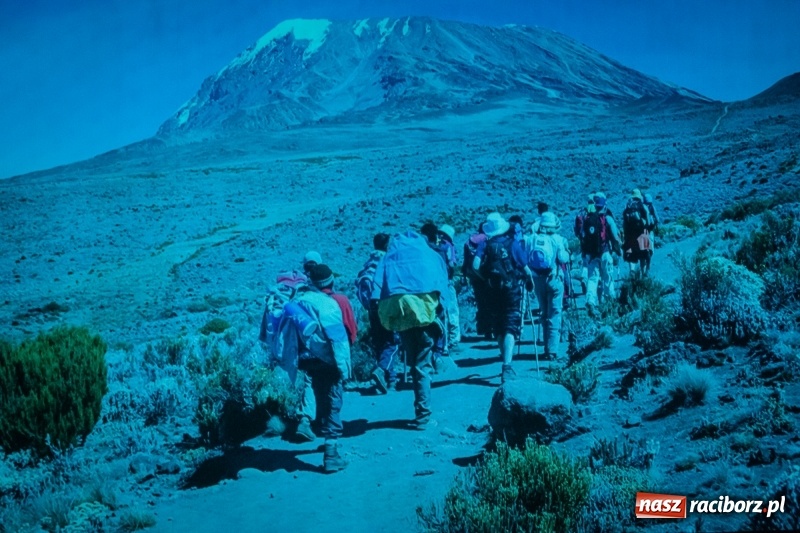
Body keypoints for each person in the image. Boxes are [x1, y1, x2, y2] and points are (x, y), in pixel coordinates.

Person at [374, 231, 448, 429]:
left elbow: (377, 286)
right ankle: (423, 414)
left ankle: (420, 409)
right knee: (422, 365)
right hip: (426, 319)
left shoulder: (390, 257)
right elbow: (442, 284)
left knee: (413, 362)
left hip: (403, 320)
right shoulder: (429, 255)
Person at [282, 278, 351, 473]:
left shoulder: (296, 303)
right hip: (327, 360)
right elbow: (337, 338)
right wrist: (344, 369)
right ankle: (331, 455)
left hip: (307, 361)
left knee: (321, 397)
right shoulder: (326, 303)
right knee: (334, 403)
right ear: (329, 281)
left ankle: (326, 440)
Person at [472, 212, 523, 383]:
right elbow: (523, 265)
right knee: (510, 325)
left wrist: (484, 278)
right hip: (511, 290)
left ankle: (504, 358)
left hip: (492, 290)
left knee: (499, 326)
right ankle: (507, 366)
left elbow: (475, 265)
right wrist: (528, 280)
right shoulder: (512, 243)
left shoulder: (485, 245)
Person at [516, 212, 570, 359]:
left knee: (544, 313)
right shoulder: (557, 239)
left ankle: (546, 347)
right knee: (555, 313)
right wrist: (566, 250)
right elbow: (563, 258)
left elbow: (525, 257)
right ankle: (551, 350)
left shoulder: (531, 239)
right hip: (554, 279)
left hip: (536, 280)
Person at [356, 233, 400, 394]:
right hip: (386, 306)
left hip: (371, 309)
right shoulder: (387, 261)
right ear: (387, 245)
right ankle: (382, 371)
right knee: (393, 342)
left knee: (380, 342)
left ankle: (390, 380)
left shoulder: (369, 263)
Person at [582, 194, 621, 317]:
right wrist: (618, 249)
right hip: (605, 253)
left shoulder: (587, 219)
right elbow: (615, 237)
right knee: (607, 279)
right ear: (604, 205)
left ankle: (590, 302)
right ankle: (610, 303)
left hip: (591, 255)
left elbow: (582, 236)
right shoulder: (607, 219)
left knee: (593, 280)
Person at [463, 223, 491, 338]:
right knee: (490, 302)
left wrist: (465, 274)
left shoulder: (470, 241)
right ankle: (489, 329)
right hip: (487, 276)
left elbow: (465, 261)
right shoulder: (488, 239)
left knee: (480, 302)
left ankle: (481, 327)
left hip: (474, 276)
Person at [437, 224, 461, 348]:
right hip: (447, 282)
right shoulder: (449, 246)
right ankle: (454, 337)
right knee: (452, 309)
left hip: (436, 282)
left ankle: (443, 340)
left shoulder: (435, 245)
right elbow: (452, 264)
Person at [621, 189, 652, 276]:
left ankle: (632, 271)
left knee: (631, 254)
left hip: (630, 234)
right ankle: (644, 272)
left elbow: (624, 222)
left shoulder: (627, 206)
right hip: (642, 233)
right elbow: (648, 221)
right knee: (644, 254)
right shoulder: (642, 206)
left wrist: (625, 234)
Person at [643, 193, 660, 273]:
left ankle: (645, 267)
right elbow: (657, 219)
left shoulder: (644, 208)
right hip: (648, 232)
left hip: (644, 232)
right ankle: (647, 267)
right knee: (649, 250)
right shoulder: (651, 207)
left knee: (647, 250)